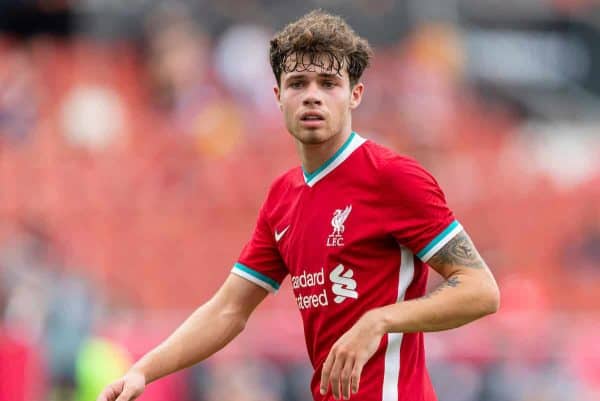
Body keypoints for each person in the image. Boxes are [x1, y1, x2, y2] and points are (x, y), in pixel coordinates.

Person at [97, 10, 500, 401]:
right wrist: (142, 371)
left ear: (355, 94)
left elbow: (481, 289)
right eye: (298, 83)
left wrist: (380, 320)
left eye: (328, 83)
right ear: (277, 96)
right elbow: (228, 310)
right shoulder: (283, 197)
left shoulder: (393, 178)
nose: (312, 96)